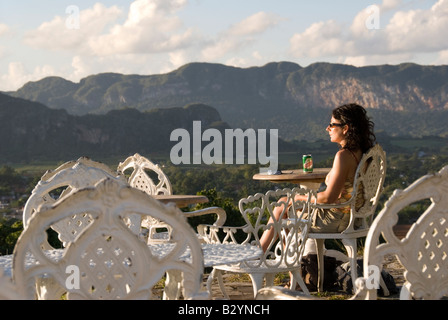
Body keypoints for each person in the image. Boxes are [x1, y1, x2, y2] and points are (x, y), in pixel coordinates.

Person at [260, 103, 376, 252]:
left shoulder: (343, 156)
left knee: (282, 204)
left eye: (332, 125)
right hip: (354, 217)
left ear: (345, 128)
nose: (327, 129)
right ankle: (294, 268)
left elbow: (329, 198)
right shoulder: (362, 153)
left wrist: (296, 198)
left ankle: (259, 255)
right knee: (285, 207)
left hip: (335, 219)